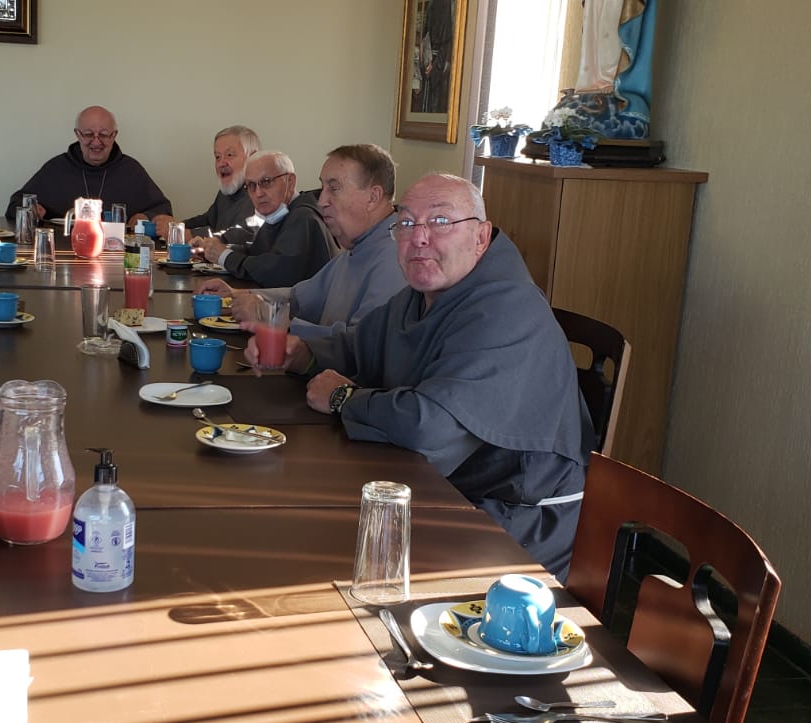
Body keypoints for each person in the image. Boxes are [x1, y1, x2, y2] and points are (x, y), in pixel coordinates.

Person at [246, 174, 593, 579]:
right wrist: (303, 355)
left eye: (440, 222)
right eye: (407, 223)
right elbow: (362, 347)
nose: (419, 238)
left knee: (317, 551)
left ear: (481, 237)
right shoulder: (422, 295)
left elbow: (431, 429)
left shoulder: (509, 309)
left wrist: (343, 399)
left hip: (512, 523)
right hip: (432, 488)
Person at [195, 144, 406, 340]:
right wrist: (239, 295)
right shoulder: (359, 246)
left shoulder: (395, 257)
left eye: (334, 189)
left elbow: (362, 344)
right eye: (322, 188)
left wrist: (275, 321)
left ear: (373, 197)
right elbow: (300, 297)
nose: (321, 201)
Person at [191, 150, 335, 288]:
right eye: (251, 185)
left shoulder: (303, 217)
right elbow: (258, 253)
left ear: (290, 182)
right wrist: (213, 250)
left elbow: (275, 272)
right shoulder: (281, 212)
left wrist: (225, 256)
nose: (258, 193)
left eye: (266, 182)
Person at [6, 105, 172, 223]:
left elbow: (163, 209)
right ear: (77, 134)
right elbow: (15, 204)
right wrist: (31, 210)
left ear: (114, 135)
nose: (96, 142)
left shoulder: (131, 170)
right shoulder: (56, 168)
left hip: (115, 254)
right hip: (63, 252)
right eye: (88, 134)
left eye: (104, 135)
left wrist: (146, 217)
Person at [155, 125, 260, 242]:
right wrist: (177, 225)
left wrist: (186, 234)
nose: (221, 163)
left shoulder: (259, 195)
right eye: (218, 157)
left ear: (252, 158)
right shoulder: (227, 192)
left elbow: (238, 235)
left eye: (229, 155)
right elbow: (207, 220)